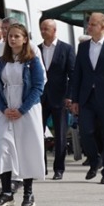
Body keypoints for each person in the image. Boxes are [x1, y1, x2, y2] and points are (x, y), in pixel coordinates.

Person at [67, 12, 104, 185]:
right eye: (89, 24)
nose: (89, 27)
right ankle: (95, 161)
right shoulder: (84, 47)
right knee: (86, 132)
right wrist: (74, 99)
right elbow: (77, 74)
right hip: (87, 97)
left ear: (102, 26)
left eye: (93, 24)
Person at [0, 23, 46, 206]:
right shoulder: (1, 61)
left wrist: (22, 109)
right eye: (10, 36)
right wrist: (3, 107)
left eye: (16, 36)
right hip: (6, 109)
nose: (12, 39)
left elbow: (38, 87)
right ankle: (6, 192)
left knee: (26, 148)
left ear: (24, 39)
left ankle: (28, 192)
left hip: (26, 110)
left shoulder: (32, 60)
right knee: (4, 147)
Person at [39, 18, 74, 180]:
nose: (43, 31)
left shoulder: (65, 49)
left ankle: (59, 168)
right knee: (38, 133)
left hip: (60, 96)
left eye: (46, 29)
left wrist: (70, 96)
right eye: (42, 28)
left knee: (60, 134)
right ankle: (41, 167)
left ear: (54, 30)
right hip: (39, 97)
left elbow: (72, 74)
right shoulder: (36, 49)